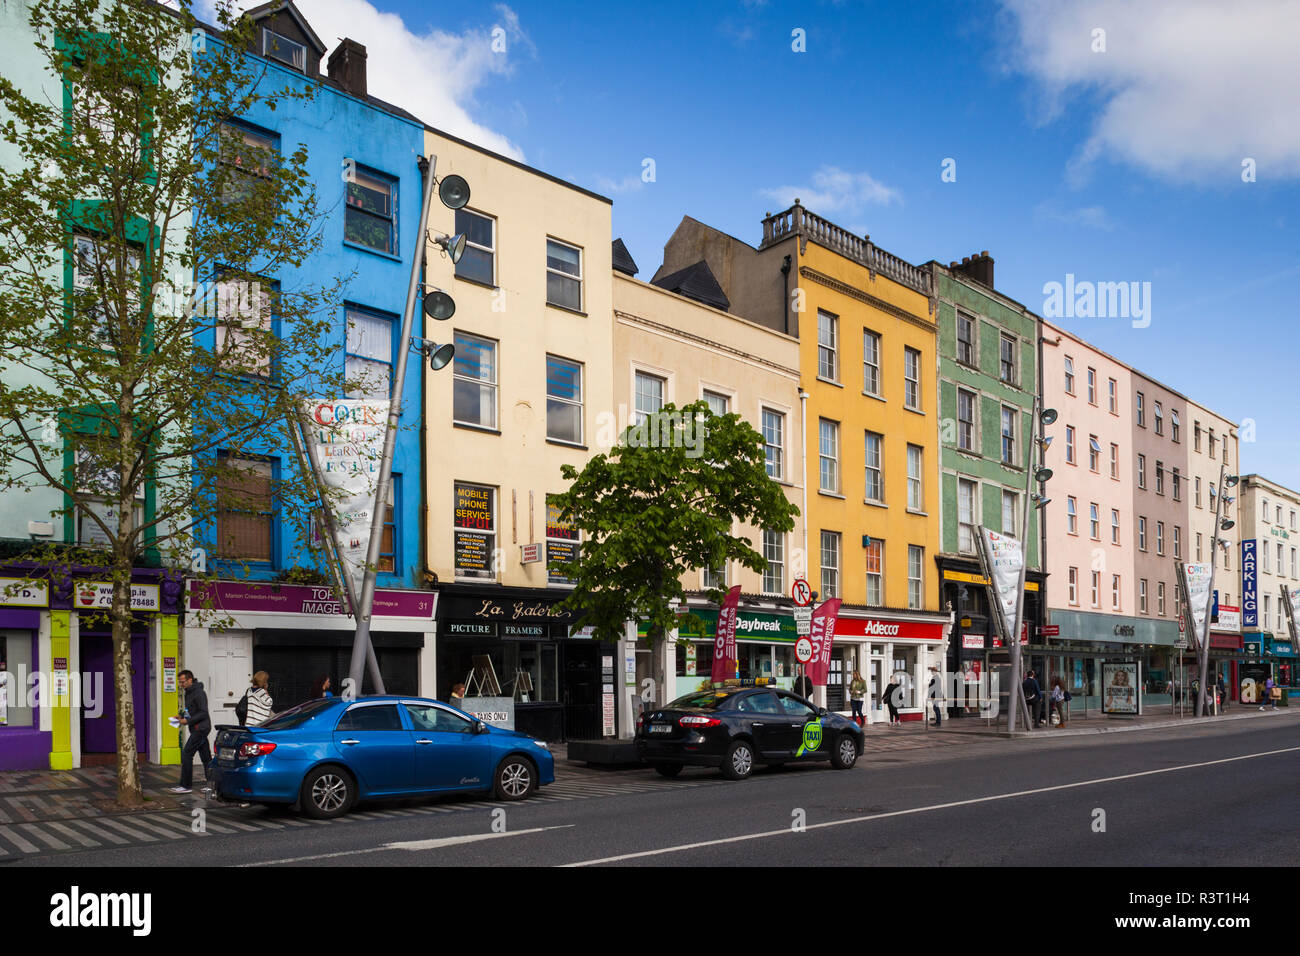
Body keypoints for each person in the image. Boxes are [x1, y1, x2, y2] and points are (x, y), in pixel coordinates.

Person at [168, 670, 211, 794]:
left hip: (201, 728)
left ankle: (185, 786)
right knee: (206, 757)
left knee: (187, 754)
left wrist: (187, 721)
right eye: (180, 682)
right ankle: (212, 784)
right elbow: (190, 710)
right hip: (197, 728)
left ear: (190, 680)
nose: (181, 685)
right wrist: (180, 716)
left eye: (182, 682)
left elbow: (203, 712)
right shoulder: (188, 693)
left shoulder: (199, 693)